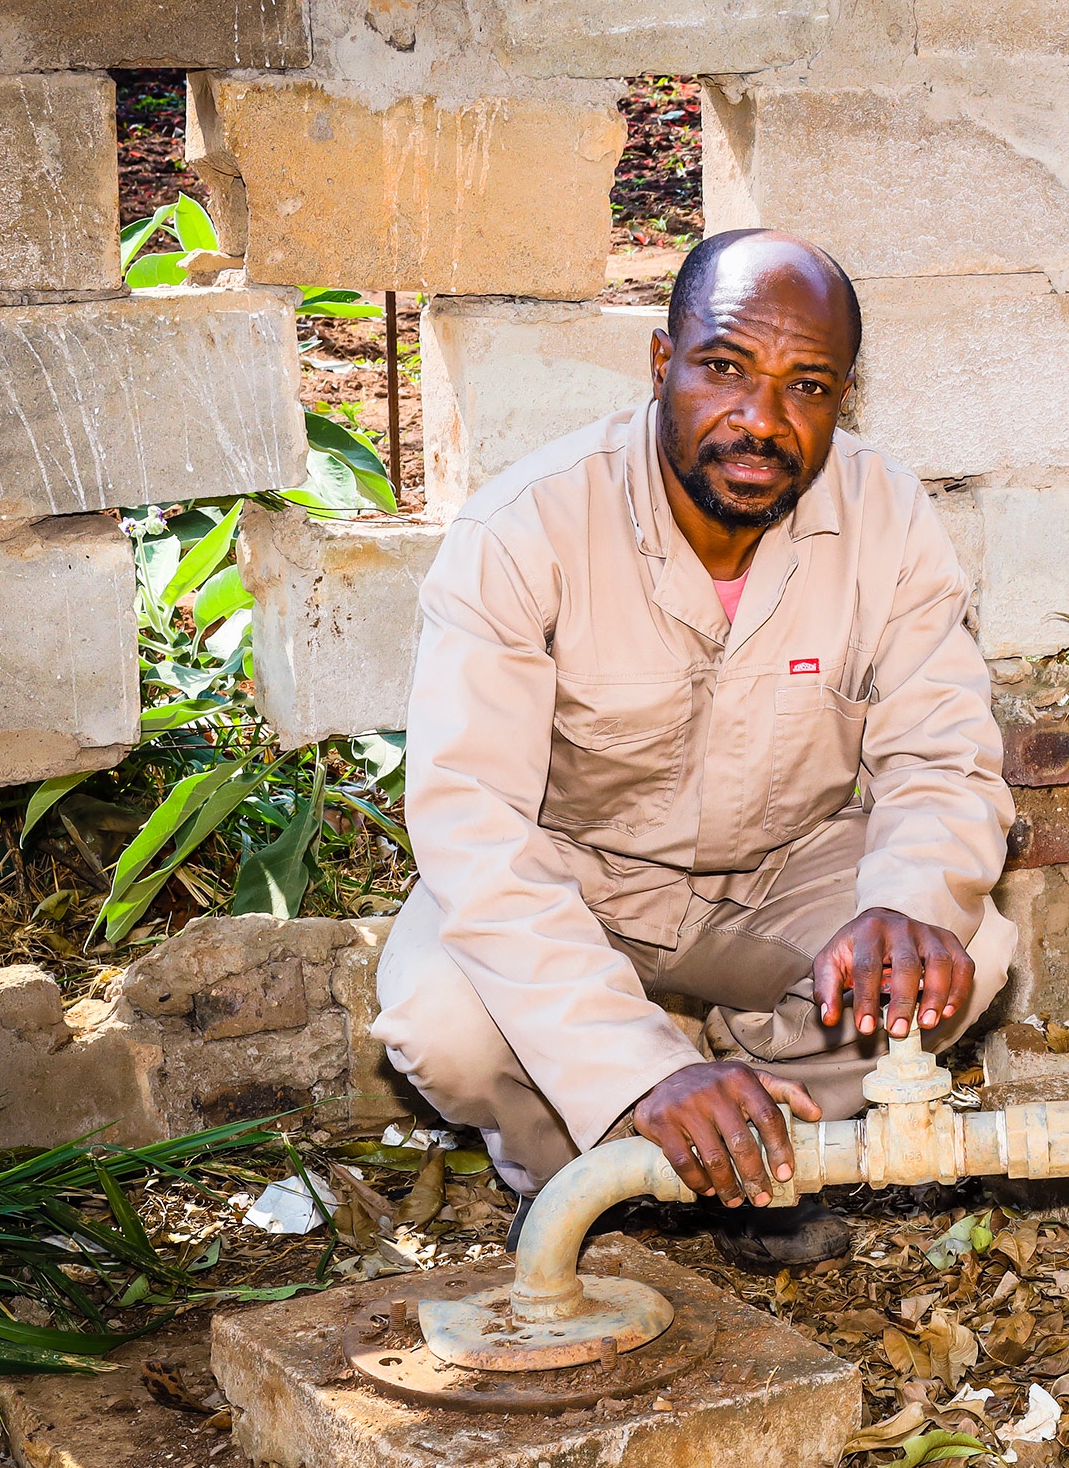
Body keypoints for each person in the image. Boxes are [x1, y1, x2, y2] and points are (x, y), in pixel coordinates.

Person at [373, 229, 1014, 1265]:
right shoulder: (524, 529)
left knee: (965, 951)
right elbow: (471, 821)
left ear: (842, 399)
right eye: (725, 369)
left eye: (806, 386)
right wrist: (634, 1066)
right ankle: (586, 1182)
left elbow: (941, 753)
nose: (760, 421)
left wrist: (908, 901)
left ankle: (763, 1154)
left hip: (779, 870)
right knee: (444, 1023)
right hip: (571, 876)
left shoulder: (885, 513)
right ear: (663, 362)